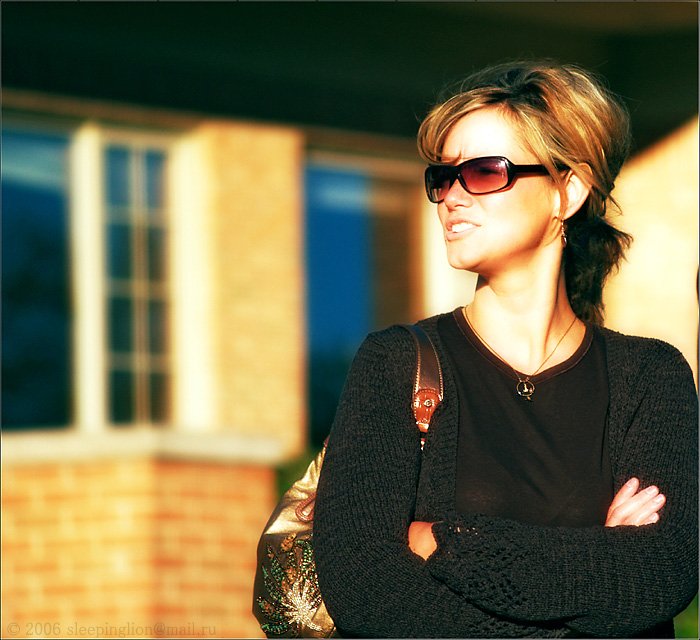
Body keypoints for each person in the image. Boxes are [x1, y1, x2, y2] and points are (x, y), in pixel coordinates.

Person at [313, 61, 698, 638]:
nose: (451, 197)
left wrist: (444, 540)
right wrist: (595, 558)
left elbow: (658, 575)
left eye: (484, 172)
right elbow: (365, 591)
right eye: (443, 177)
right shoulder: (395, 364)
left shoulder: (649, 376)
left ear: (568, 191)